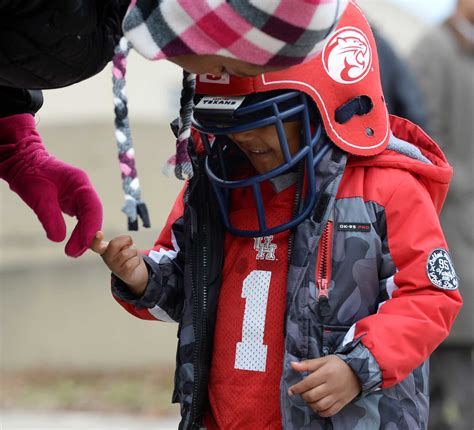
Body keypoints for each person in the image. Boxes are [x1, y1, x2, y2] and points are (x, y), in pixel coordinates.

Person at [91, 2, 462, 429]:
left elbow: (430, 297)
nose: (245, 136)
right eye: (232, 124)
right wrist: (140, 277)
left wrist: (359, 365)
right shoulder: (216, 186)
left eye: (263, 118)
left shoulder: (388, 189)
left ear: (329, 102)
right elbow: (186, 287)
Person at [0, 0, 347, 258]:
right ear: (211, 24)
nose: (215, 74)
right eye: (226, 63)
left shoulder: (107, 25)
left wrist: (15, 144)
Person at [409, 1, 474, 429]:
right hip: (447, 233)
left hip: (466, 229)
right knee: (437, 395)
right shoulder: (433, 50)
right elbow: (420, 142)